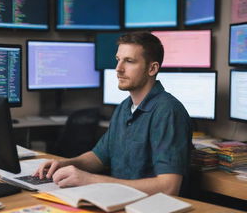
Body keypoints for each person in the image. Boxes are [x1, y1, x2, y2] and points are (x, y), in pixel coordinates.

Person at [33, 32, 192, 196]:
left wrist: (90, 180)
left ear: (152, 68)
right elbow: (99, 157)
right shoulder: (124, 107)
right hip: (118, 200)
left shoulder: (168, 112)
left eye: (129, 61)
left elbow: (169, 187)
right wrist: (64, 164)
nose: (118, 68)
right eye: (118, 60)